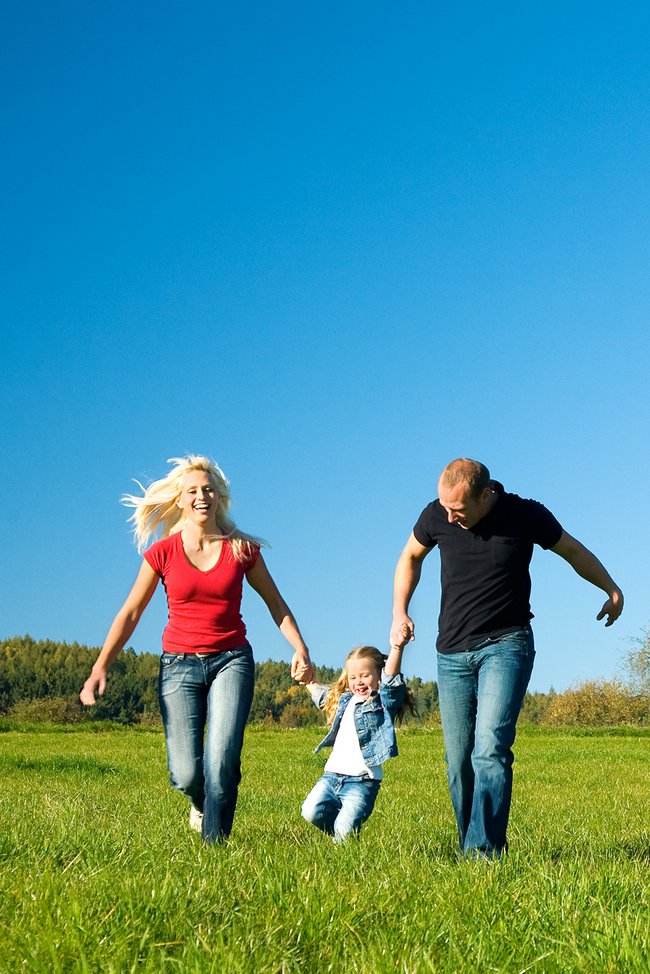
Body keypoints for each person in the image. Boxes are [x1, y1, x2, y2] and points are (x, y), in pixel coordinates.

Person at [390, 458, 624, 859]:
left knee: (490, 749)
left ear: (486, 495)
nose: (450, 517)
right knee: (458, 761)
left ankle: (483, 853)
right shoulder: (436, 514)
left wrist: (611, 589)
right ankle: (469, 845)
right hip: (451, 653)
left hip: (506, 645)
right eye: (445, 508)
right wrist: (400, 611)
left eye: (458, 509)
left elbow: (572, 550)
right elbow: (410, 556)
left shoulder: (524, 514)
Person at [80, 454, 314, 844]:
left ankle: (214, 849)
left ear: (219, 496)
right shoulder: (163, 552)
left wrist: (300, 648)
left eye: (208, 489)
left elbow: (276, 603)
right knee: (186, 773)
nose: (201, 496)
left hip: (231, 660)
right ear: (180, 499)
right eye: (192, 491)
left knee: (221, 761)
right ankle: (200, 802)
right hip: (179, 665)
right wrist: (100, 667)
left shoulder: (241, 549)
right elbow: (131, 612)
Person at [301, 642, 415, 842]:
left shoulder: (381, 703)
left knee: (345, 832)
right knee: (310, 811)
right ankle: (340, 836)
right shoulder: (345, 700)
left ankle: (343, 843)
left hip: (362, 782)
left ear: (379, 676)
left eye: (365, 675)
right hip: (331, 776)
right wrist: (308, 681)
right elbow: (323, 697)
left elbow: (391, 683)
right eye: (353, 677)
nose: (359, 682)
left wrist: (397, 648)